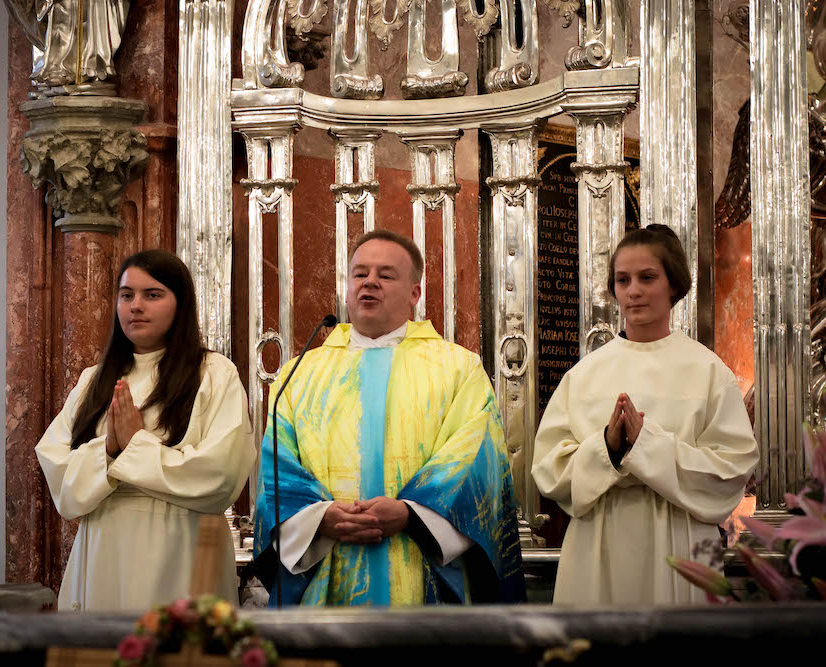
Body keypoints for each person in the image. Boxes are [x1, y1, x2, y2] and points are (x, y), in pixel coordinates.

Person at [252, 230, 525, 606]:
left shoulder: (458, 367)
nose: (370, 283)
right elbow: (277, 470)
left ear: (414, 294)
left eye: (386, 274)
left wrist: (411, 513)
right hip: (327, 570)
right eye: (360, 273)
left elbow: (476, 461)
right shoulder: (299, 374)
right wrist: (320, 518)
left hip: (420, 569)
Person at [532, 224, 759, 605]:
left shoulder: (707, 371)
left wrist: (646, 445)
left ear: (674, 284)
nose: (633, 290)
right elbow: (549, 470)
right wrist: (608, 447)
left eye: (647, 277)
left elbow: (732, 469)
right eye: (623, 280)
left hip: (679, 541)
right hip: (597, 544)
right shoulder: (585, 374)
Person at [36, 249, 254, 612]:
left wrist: (132, 448)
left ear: (180, 304)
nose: (136, 305)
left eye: (152, 295)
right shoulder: (94, 380)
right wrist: (109, 448)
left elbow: (221, 474)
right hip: (104, 548)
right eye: (127, 295)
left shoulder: (214, 373)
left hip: (183, 551)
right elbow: (59, 476)